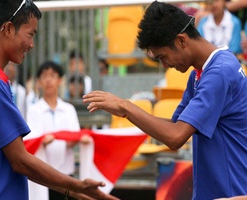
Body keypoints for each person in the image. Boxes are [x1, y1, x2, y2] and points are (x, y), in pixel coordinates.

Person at [83, 1, 247, 199]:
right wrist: (127, 111)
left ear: (181, 41)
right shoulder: (200, 73)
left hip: (231, 193)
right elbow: (176, 127)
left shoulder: (219, 73)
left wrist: (126, 106)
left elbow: (175, 137)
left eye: (162, 57)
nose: (165, 65)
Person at [0, 0, 118, 199]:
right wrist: (78, 186)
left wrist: (71, 191)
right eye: (30, 34)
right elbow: (20, 160)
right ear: (9, 28)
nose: (31, 45)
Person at [25, 61, 91, 200]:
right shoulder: (34, 110)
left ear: (60, 80)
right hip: (43, 175)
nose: (49, 80)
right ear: (39, 82)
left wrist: (79, 139)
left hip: (66, 173)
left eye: (53, 75)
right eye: (44, 76)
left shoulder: (68, 109)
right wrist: (45, 141)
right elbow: (32, 140)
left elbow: (73, 135)